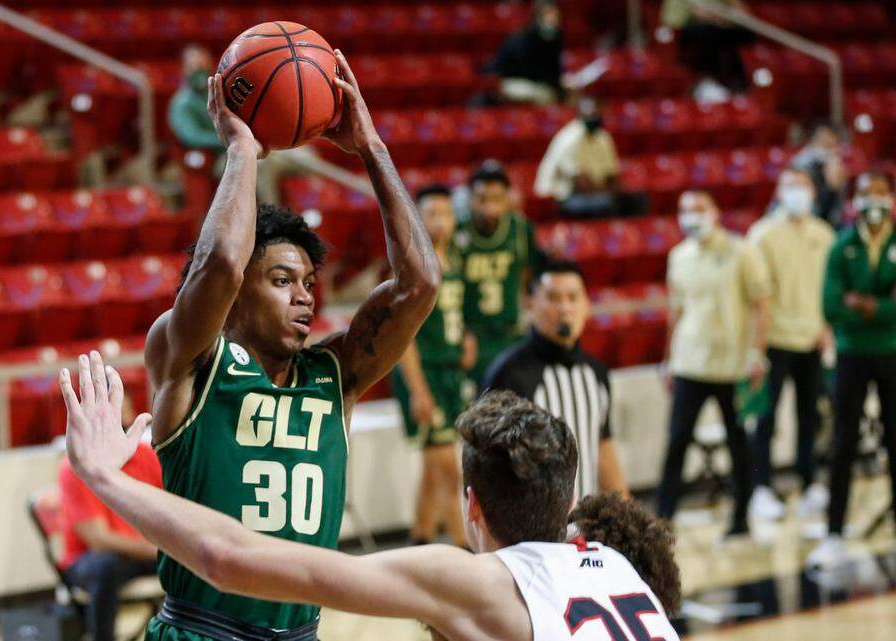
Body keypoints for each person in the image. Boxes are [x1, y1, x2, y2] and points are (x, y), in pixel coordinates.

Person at [59, 356, 683, 641]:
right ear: (569, 498)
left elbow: (229, 558)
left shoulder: (481, 582)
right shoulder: (618, 563)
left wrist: (103, 475)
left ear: (471, 506)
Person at [143, 51, 440, 641]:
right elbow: (223, 261)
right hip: (203, 630)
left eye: (308, 284)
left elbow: (421, 283)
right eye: (281, 281)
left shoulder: (334, 374)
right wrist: (242, 151)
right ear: (235, 298)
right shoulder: (192, 362)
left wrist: (371, 148)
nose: (304, 297)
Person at [808, 173, 896, 573]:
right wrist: (881, 305)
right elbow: (830, 306)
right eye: (864, 194)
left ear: (891, 199)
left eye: (879, 193)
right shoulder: (842, 248)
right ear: (853, 201)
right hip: (851, 354)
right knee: (843, 443)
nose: (872, 201)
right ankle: (834, 534)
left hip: (893, 352)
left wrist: (865, 305)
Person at [657, 190, 770, 538]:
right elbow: (675, 311)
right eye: (684, 209)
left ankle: (742, 518)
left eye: (699, 208)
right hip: (690, 363)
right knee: (677, 441)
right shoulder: (679, 256)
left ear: (716, 212)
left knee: (739, 445)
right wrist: (668, 359)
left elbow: (761, 306)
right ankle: (662, 520)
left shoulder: (742, 251)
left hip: (732, 366)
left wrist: (756, 354)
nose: (691, 215)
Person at [482, 259, 629, 500]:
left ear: (587, 305)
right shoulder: (508, 373)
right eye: (553, 298)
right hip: (529, 529)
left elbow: (603, 449)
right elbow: (487, 464)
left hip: (582, 525)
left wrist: (626, 519)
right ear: (530, 304)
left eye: (573, 298)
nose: (564, 308)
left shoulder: (596, 374)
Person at [746, 169, 835, 521]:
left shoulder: (824, 234)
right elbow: (757, 296)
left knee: (810, 417)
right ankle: (761, 488)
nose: (797, 192)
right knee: (765, 420)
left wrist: (827, 328)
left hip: (812, 339)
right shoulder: (763, 234)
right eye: (789, 186)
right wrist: (757, 345)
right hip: (774, 341)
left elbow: (829, 289)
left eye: (803, 186)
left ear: (813, 192)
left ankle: (809, 480)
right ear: (779, 192)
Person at [391, 184, 472, 547]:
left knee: (431, 469)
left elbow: (451, 314)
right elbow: (403, 335)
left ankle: (419, 539)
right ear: (418, 219)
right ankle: (467, 554)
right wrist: (418, 391)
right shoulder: (415, 265)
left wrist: (464, 335)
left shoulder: (454, 257)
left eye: (446, 213)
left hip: (449, 373)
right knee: (449, 472)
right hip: (424, 375)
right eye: (431, 214)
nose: (440, 221)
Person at [58, 436, 161, 641]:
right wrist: (159, 550)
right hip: (87, 559)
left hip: (146, 553)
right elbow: (99, 540)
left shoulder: (146, 456)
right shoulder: (77, 465)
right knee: (104, 565)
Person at [168, 44, 293, 207]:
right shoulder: (182, 102)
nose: (199, 70)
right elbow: (191, 136)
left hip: (249, 146)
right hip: (222, 156)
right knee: (261, 166)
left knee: (300, 153)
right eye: (194, 66)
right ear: (184, 69)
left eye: (203, 65)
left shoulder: (220, 90)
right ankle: (272, 221)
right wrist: (235, 138)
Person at [457, 161, 545, 387]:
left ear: (508, 199)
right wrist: (462, 332)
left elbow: (527, 272)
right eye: (482, 199)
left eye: (497, 199)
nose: (489, 207)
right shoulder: (457, 231)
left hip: (511, 331)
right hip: (472, 335)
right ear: (470, 199)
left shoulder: (521, 228)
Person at [534, 97, 647, 219]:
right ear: (579, 114)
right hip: (563, 197)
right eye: (590, 113)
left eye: (597, 112)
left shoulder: (603, 138)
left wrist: (621, 192)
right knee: (605, 203)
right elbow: (581, 184)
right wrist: (609, 193)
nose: (594, 116)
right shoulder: (569, 138)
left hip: (597, 193)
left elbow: (612, 176)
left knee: (638, 200)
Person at [661, 0, 753, 97]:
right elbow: (695, 14)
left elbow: (743, 13)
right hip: (680, 31)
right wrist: (718, 19)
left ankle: (735, 85)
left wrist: (731, 14)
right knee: (710, 33)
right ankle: (711, 81)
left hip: (720, 27)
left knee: (742, 33)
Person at [489, 1, 565, 106]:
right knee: (545, 95)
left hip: (538, 82)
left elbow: (553, 68)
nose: (552, 21)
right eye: (548, 16)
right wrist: (553, 83)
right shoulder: (524, 38)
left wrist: (560, 82)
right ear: (538, 18)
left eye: (555, 17)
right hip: (514, 80)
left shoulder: (555, 39)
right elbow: (527, 69)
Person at [790, 124, 849, 228]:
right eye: (824, 142)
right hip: (807, 217)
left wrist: (833, 165)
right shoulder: (801, 163)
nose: (827, 147)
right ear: (813, 142)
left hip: (829, 220)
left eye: (831, 144)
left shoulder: (836, 163)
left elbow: (836, 188)